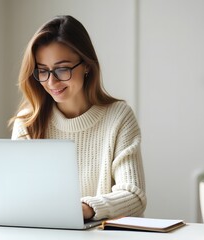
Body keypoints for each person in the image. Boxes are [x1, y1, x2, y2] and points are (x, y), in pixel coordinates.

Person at [10, 15, 146, 220]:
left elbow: (134, 197)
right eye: (43, 71)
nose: (52, 82)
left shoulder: (119, 117)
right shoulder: (28, 122)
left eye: (62, 69)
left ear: (87, 65)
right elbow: (17, 196)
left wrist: (85, 209)